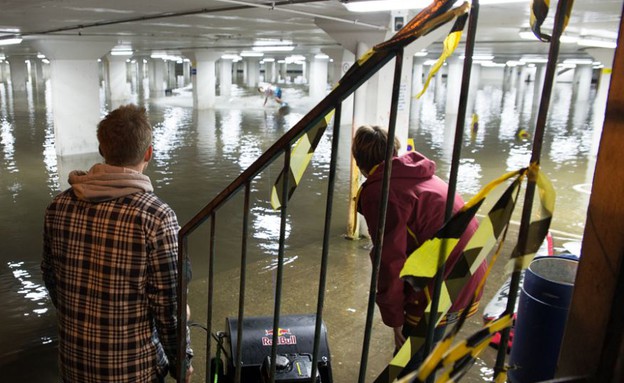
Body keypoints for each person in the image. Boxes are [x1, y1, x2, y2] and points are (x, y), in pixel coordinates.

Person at [42, 104, 193, 383]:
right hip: (132, 371)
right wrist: (181, 362)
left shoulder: (58, 206)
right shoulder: (156, 217)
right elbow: (170, 307)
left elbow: (51, 277)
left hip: (73, 364)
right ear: (148, 153)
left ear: (102, 149)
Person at [352, 125, 486, 365]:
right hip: (470, 269)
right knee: (425, 355)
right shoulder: (419, 175)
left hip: (442, 282)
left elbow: (390, 261)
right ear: (394, 149)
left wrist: (395, 319)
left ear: (359, 162)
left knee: (408, 364)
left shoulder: (382, 191)